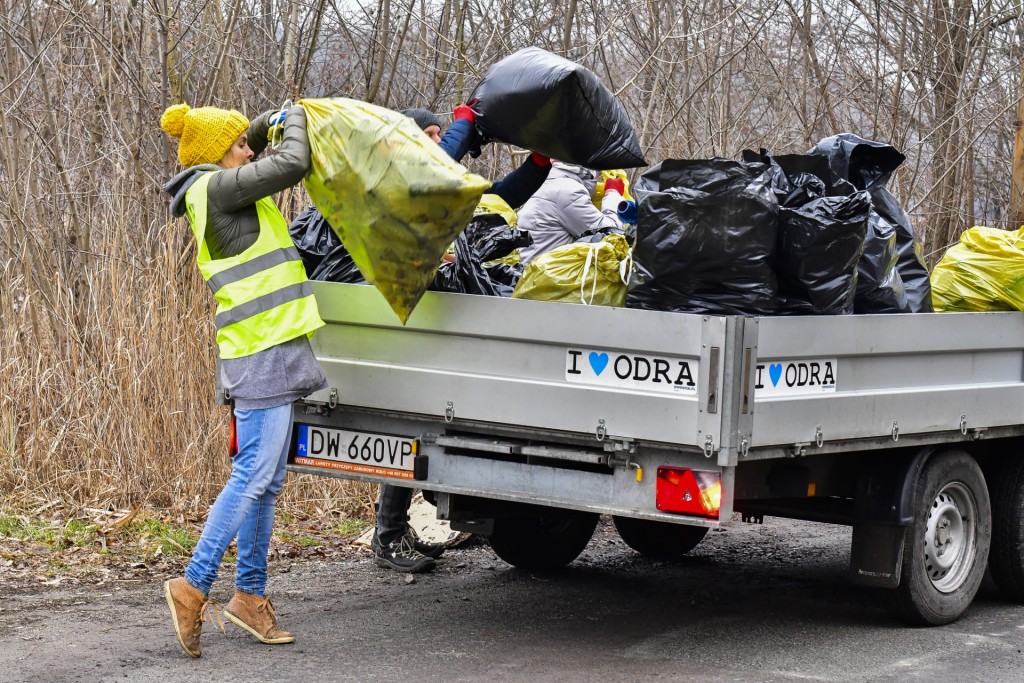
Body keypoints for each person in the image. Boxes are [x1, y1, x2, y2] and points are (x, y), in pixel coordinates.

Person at [158, 102, 326, 657]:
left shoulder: (220, 185)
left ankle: (249, 597)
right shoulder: (220, 190)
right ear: (217, 157)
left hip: (270, 347)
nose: (249, 153)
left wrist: (264, 122)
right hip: (259, 353)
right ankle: (193, 585)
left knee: (267, 479)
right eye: (240, 148)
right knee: (252, 475)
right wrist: (298, 116)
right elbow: (295, 161)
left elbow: (253, 147)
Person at [369, 104, 552, 574]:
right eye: (428, 134)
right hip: (405, 320)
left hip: (434, 321)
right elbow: (435, 161)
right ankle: (388, 537)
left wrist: (537, 165)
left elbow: (497, 197)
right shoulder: (400, 179)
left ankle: (394, 530)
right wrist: (464, 120)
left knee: (419, 424)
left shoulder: (442, 192)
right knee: (407, 425)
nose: (436, 141)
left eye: (439, 133)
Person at [516, 163, 626, 264]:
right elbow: (611, 236)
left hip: (534, 277)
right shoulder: (568, 191)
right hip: (552, 281)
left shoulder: (546, 183)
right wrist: (613, 193)